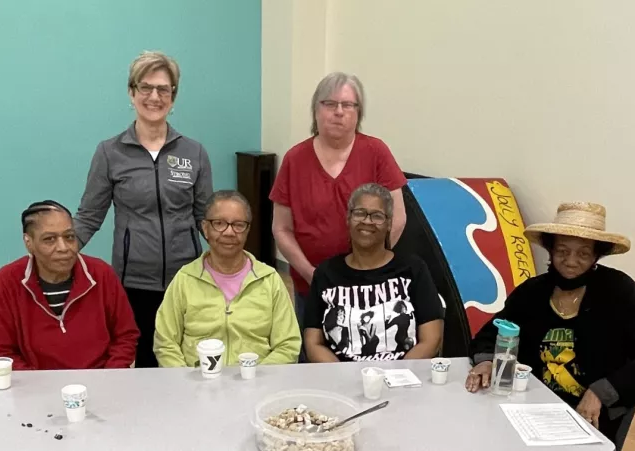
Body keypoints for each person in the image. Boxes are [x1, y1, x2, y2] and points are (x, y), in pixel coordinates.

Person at [465, 202, 635, 450]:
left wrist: (600, 393)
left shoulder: (618, 291)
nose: (571, 261)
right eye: (562, 251)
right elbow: (490, 334)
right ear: (551, 250)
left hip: (590, 417)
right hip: (527, 406)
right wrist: (485, 361)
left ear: (596, 255)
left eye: (583, 253)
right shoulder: (532, 291)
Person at [73, 51, 213, 368]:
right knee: (149, 363)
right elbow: (89, 216)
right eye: (145, 87)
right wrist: (59, 251)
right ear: (131, 92)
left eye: (163, 89)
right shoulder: (110, 152)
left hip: (187, 279)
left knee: (189, 358)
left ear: (173, 96)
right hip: (134, 282)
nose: (154, 96)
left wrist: (230, 264)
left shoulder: (194, 152)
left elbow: (207, 217)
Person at [270, 72, 408, 343]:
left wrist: (368, 267)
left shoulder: (377, 152)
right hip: (311, 286)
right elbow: (281, 228)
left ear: (359, 113)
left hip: (368, 285)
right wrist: (312, 274)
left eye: (348, 105)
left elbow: (398, 218)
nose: (339, 112)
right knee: (312, 357)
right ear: (315, 110)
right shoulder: (295, 159)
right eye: (329, 104)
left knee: (365, 354)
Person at [0, 201, 139, 370]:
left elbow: (126, 336)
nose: (63, 247)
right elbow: (0, 351)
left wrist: (108, 377)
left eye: (69, 236)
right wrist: (38, 387)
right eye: (49, 239)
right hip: (34, 386)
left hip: (102, 380)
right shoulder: (6, 282)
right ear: (29, 243)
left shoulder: (102, 274)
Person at [153, 191, 301, 367]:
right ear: (205, 228)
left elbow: (288, 345)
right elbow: (165, 343)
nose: (229, 232)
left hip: (256, 385)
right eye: (219, 223)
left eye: (238, 225)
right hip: (195, 385)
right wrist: (186, 381)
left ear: (247, 230)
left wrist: (256, 378)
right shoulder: (185, 279)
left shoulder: (269, 280)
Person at [304, 183, 444, 363]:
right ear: (348, 218)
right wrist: (341, 377)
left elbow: (432, 339)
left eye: (377, 216)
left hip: (403, 378)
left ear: (389, 224)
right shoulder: (326, 273)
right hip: (340, 380)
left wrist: (394, 376)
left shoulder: (413, 269)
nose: (367, 221)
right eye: (360, 213)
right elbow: (313, 343)